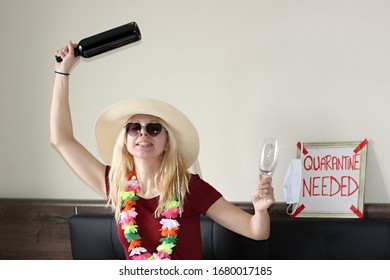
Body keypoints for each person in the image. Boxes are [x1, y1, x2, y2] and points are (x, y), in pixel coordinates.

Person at [51, 41, 275, 260]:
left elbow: (257, 231)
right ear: (126, 140)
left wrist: (261, 210)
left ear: (167, 142)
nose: (143, 134)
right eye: (134, 128)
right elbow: (61, 139)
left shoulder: (190, 187)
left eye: (154, 128)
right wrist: (62, 73)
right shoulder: (116, 183)